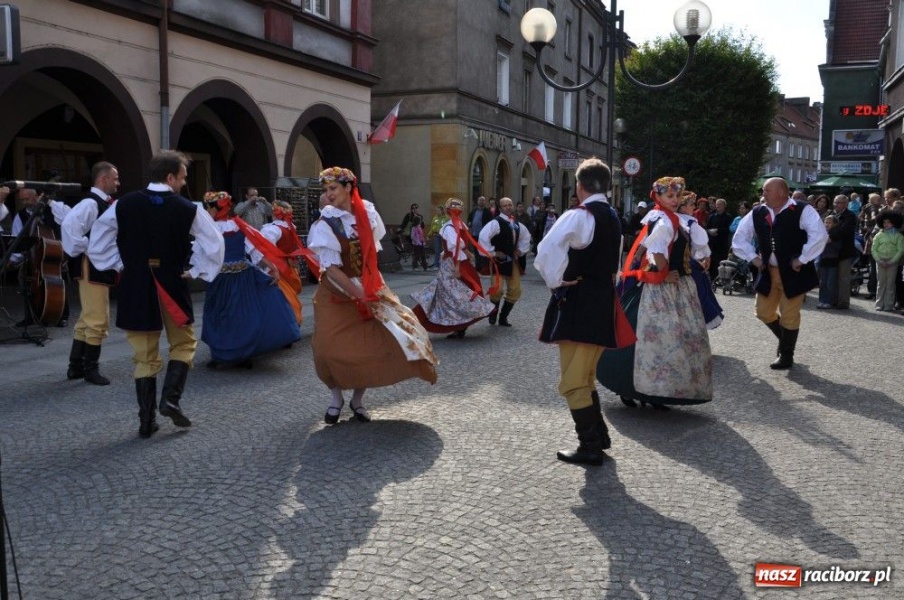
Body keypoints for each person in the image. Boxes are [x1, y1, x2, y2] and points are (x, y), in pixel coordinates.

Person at [87, 150, 224, 438]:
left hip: (136, 285)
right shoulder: (187, 208)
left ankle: (146, 422)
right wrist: (198, 271)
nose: (184, 184)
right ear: (171, 176)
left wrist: (123, 264)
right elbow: (214, 243)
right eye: (183, 178)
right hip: (171, 284)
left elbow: (98, 241)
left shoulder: (123, 204)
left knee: (143, 354)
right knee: (184, 343)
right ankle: (170, 399)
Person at [308, 166, 437, 424]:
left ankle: (357, 401)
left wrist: (369, 287)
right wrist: (358, 293)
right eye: (326, 190)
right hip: (336, 293)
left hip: (368, 285)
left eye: (333, 188)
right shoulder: (325, 223)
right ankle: (336, 398)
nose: (329, 194)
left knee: (371, 346)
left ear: (348, 188)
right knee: (325, 349)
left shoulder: (367, 213)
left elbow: (371, 254)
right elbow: (331, 268)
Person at [535, 158, 632, 465]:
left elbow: (545, 251)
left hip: (578, 302)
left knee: (573, 379)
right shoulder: (613, 216)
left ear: (580, 186)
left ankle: (590, 446)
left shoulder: (579, 215)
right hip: (603, 301)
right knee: (586, 374)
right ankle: (600, 437)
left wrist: (556, 281)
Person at [597, 176, 712, 410]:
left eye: (677, 196)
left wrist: (701, 256)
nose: (675, 200)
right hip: (660, 290)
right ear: (657, 197)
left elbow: (668, 247)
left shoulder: (674, 219)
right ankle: (635, 388)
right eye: (669, 196)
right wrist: (663, 273)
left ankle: (660, 393)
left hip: (678, 289)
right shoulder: (662, 221)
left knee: (675, 342)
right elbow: (656, 251)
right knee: (656, 339)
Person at [731, 177, 827, 370]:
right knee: (763, 312)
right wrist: (754, 258)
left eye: (766, 191)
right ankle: (785, 342)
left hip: (794, 272)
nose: (762, 195)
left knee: (789, 315)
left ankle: (786, 355)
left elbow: (820, 235)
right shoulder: (758, 212)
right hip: (769, 271)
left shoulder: (802, 209)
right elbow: (739, 238)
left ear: (781, 192)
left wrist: (802, 259)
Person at [199, 191, 301, 367]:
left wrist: (273, 267)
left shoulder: (212, 228)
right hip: (240, 276)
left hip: (223, 279)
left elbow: (204, 254)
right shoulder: (238, 225)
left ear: (216, 209)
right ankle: (233, 354)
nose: (207, 211)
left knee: (222, 315)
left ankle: (230, 354)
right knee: (240, 315)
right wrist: (272, 267)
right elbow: (253, 250)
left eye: (208, 207)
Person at [60, 161, 121, 385]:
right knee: (97, 317)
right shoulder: (90, 203)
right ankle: (90, 370)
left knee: (87, 318)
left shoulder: (101, 203)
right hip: (92, 264)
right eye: (115, 178)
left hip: (96, 263)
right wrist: (87, 246)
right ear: (103, 179)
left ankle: (75, 367)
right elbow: (69, 226)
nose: (118, 183)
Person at [411, 197, 496, 339]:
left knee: (449, 295)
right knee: (459, 294)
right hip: (461, 263)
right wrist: (467, 253)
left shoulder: (449, 227)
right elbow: (462, 244)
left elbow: (457, 244)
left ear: (448, 211)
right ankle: (460, 326)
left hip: (453, 264)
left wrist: (457, 265)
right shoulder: (462, 225)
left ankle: (430, 321)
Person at [478, 196, 531, 327]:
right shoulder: (495, 223)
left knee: (515, 290)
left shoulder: (517, 224)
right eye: (505, 205)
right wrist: (494, 253)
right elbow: (483, 238)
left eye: (510, 204)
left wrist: (520, 250)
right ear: (500, 208)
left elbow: (526, 237)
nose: (508, 207)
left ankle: (503, 317)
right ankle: (493, 314)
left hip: (512, 261)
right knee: (497, 290)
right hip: (498, 262)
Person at [259, 200, 311, 325]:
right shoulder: (290, 227)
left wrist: (269, 267)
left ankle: (287, 324)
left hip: (277, 267)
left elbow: (266, 250)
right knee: (288, 295)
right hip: (289, 266)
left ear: (274, 213)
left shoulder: (272, 229)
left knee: (281, 297)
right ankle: (291, 322)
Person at [678, 191, 723, 329]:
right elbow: (701, 244)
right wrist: (707, 256)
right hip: (685, 265)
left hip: (672, 264)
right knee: (698, 295)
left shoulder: (667, 217)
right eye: (692, 204)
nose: (694, 208)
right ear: (684, 207)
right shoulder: (689, 222)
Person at [870, 209, 904, 311]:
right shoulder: (879, 235)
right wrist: (878, 260)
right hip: (880, 261)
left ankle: (888, 305)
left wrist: (892, 261)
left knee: (890, 284)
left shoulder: (899, 236)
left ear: (894, 222)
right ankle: (879, 304)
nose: (886, 224)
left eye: (888, 222)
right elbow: (873, 249)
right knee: (881, 283)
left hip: (892, 262)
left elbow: (900, 250)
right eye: (884, 222)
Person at [828, 194, 858, 309]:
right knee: (833, 277)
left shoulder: (850, 216)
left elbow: (844, 231)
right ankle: (834, 299)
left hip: (844, 251)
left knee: (843, 277)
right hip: (832, 251)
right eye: (835, 202)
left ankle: (844, 302)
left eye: (839, 203)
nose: (836, 205)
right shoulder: (832, 214)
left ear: (846, 203)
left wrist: (830, 237)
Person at [816, 215, 842, 309]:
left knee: (830, 282)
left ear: (834, 224)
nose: (827, 224)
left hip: (832, 260)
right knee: (822, 282)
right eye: (826, 222)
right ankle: (821, 300)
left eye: (829, 222)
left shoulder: (836, 233)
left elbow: (838, 247)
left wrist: (830, 242)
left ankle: (829, 301)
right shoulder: (821, 232)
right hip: (823, 259)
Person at [705, 198, 733, 279]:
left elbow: (729, 229)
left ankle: (721, 278)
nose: (718, 206)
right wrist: (709, 231)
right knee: (712, 261)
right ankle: (712, 278)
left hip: (722, 244)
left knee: (721, 261)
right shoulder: (711, 216)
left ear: (724, 206)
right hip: (712, 244)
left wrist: (718, 230)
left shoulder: (728, 217)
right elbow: (707, 228)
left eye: (720, 204)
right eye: (717, 204)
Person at [425, 204, 448, 269]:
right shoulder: (435, 218)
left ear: (442, 211)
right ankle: (436, 264)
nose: (437, 212)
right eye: (436, 211)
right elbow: (432, 227)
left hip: (444, 235)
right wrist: (429, 235)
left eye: (438, 211)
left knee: (444, 250)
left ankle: (444, 264)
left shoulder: (447, 218)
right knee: (437, 250)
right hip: (436, 235)